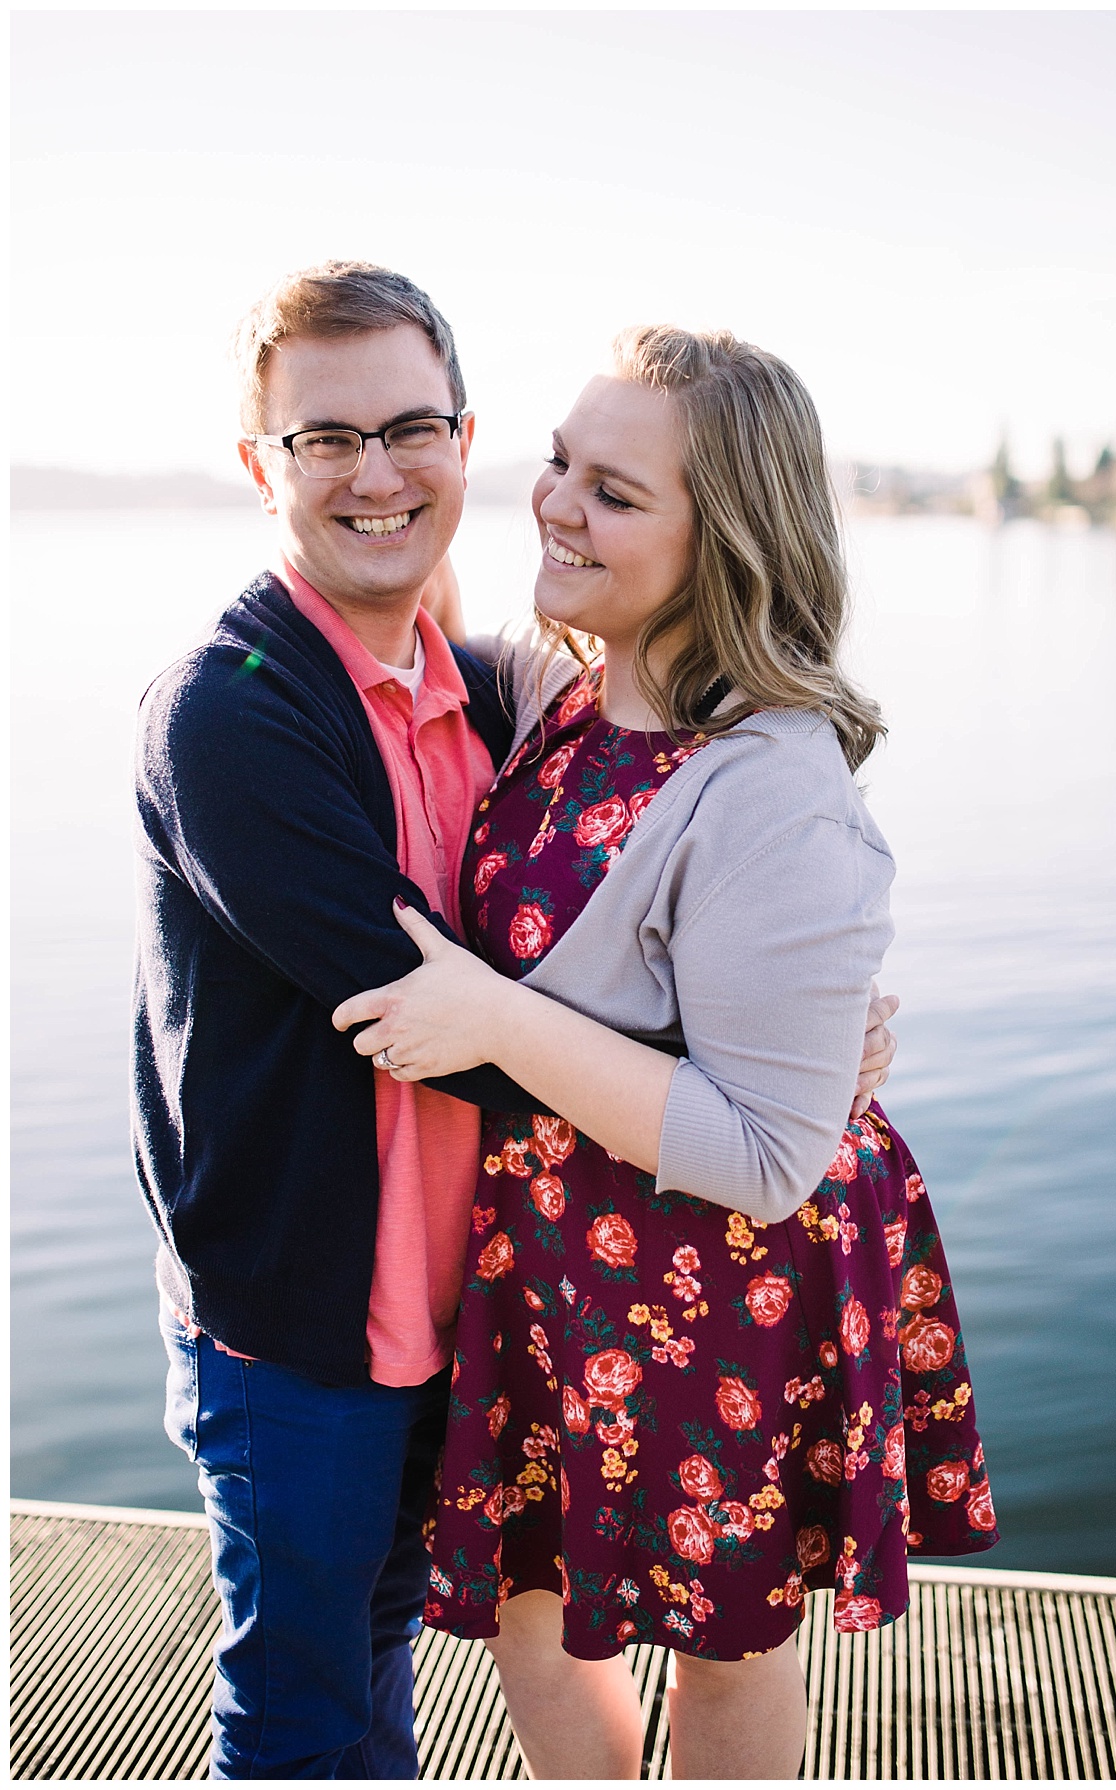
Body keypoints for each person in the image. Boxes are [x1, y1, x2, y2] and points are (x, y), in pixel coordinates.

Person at [133, 263, 897, 1779]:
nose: (377, 472)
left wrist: (785, 1081)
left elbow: (650, 965)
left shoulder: (491, 686)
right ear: (255, 465)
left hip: (546, 1297)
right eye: (322, 440)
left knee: (395, 1669)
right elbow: (416, 1003)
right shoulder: (235, 712)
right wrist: (742, 1088)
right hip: (316, 1329)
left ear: (459, 438)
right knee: (310, 1705)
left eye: (412, 427)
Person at [334, 326, 998, 1780]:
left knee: (722, 1652)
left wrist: (499, 1020)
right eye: (560, 462)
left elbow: (769, 1149)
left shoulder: (775, 779)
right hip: (563, 1260)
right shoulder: (572, 693)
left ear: (727, 543)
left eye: (615, 492)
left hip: (725, 1272)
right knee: (526, 1619)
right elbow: (405, 593)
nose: (557, 503)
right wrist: (380, 468)